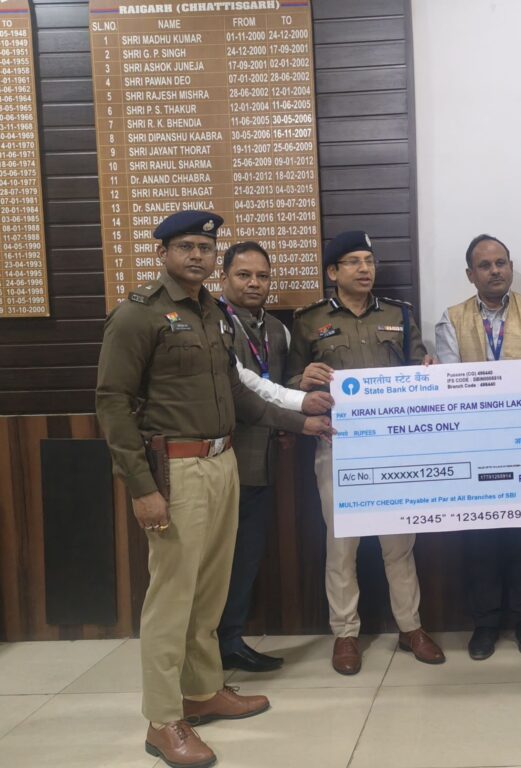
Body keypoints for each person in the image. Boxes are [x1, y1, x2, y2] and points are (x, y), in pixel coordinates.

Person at [95, 211, 333, 768]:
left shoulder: (212, 313)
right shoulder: (137, 315)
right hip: (175, 471)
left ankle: (201, 691)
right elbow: (112, 402)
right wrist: (141, 487)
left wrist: (302, 422)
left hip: (223, 463)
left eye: (205, 247)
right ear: (163, 253)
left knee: (208, 591)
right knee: (172, 598)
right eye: (187, 247)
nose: (198, 256)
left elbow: (239, 393)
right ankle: (163, 720)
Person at [286, 229, 445, 674]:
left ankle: (411, 627)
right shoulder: (308, 321)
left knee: (400, 542)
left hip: (395, 448)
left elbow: (418, 369)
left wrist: (427, 370)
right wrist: (301, 382)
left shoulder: (399, 314)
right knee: (341, 544)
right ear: (332, 272)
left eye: (369, 261)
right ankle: (345, 633)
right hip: (337, 445)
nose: (364, 269)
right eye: (354, 262)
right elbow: (289, 382)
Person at [216, 241, 334, 673]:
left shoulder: (277, 330)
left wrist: (301, 384)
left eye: (262, 276)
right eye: (243, 275)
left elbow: (279, 385)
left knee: (245, 558)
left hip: (263, 461)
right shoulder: (214, 323)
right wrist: (298, 418)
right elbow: (243, 389)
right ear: (223, 278)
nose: (254, 283)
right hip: (220, 460)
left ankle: (229, 641)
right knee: (214, 563)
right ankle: (204, 647)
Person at [435, 234, 521, 659]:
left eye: (501, 262)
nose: (495, 271)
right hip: (475, 447)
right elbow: (450, 382)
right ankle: (485, 623)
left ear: (510, 266)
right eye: (484, 265)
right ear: (471, 275)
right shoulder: (451, 318)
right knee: (480, 537)